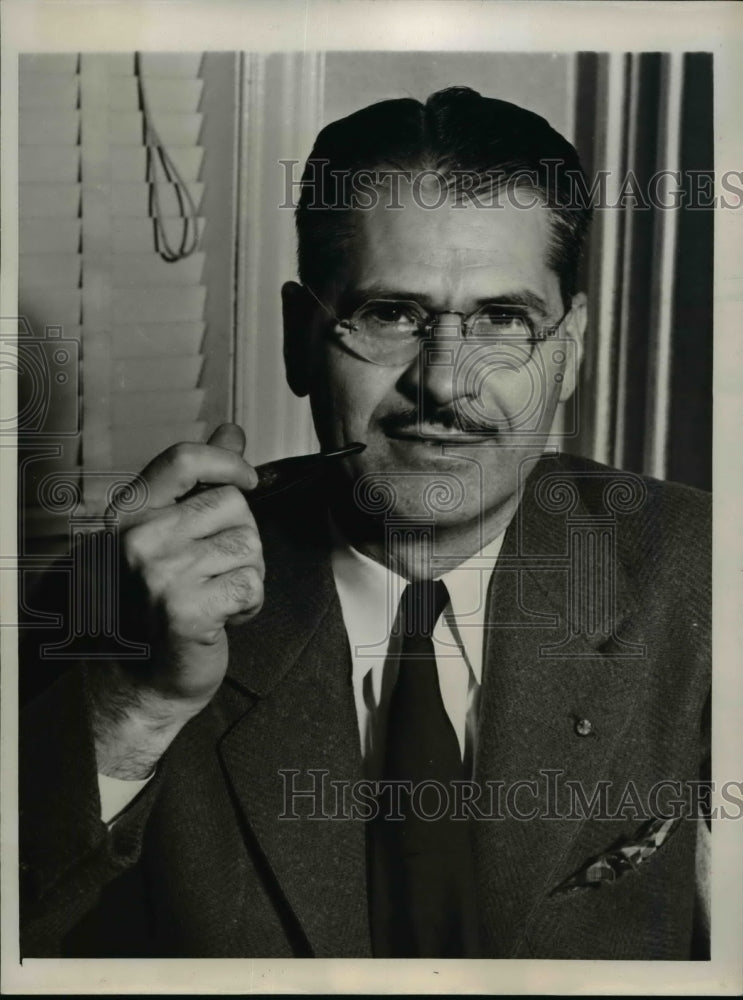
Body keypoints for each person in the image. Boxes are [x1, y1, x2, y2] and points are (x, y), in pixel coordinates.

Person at [20, 87, 710, 959]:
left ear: (565, 351)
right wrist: (134, 708)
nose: (445, 384)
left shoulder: (699, 571)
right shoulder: (109, 599)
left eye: (502, 319)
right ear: (300, 339)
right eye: (391, 315)